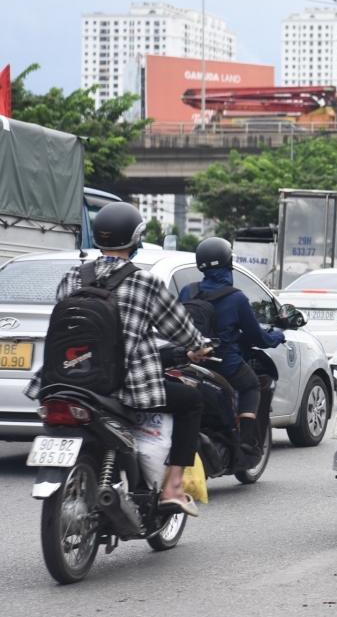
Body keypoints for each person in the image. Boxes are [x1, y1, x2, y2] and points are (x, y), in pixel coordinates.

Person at [25, 202, 210, 516]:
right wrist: (200, 346)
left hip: (64, 379)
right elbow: (181, 330)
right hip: (126, 386)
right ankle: (174, 487)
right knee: (191, 400)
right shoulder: (145, 282)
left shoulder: (73, 276)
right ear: (136, 239)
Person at [182, 237, 286, 466]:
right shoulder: (236, 298)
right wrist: (277, 337)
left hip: (189, 363)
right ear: (228, 264)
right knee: (251, 385)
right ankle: (247, 439)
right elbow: (256, 336)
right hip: (223, 364)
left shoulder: (187, 292)